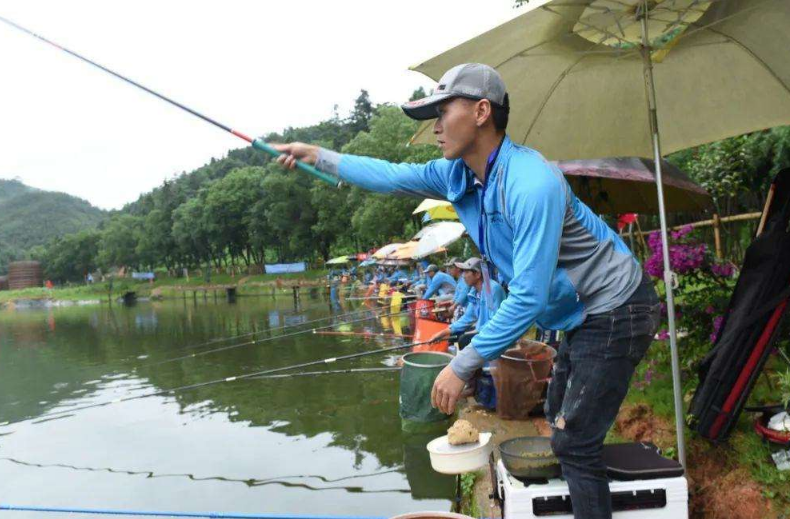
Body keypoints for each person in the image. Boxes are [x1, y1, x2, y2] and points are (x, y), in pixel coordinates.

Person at [273, 62, 660, 519]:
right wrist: (317, 154)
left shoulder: (531, 183)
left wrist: (463, 364)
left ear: (480, 112)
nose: (436, 128)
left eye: (442, 113)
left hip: (617, 307)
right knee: (558, 416)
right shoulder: (457, 175)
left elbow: (529, 296)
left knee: (575, 441)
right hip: (578, 313)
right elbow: (390, 175)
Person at [429, 257, 505, 346]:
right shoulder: (474, 292)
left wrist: (474, 332)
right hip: (483, 331)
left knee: (463, 339)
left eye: (466, 272)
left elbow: (494, 322)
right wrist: (442, 333)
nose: (463, 276)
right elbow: (467, 318)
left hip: (494, 335)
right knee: (455, 335)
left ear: (477, 274)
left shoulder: (490, 289)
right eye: (463, 272)